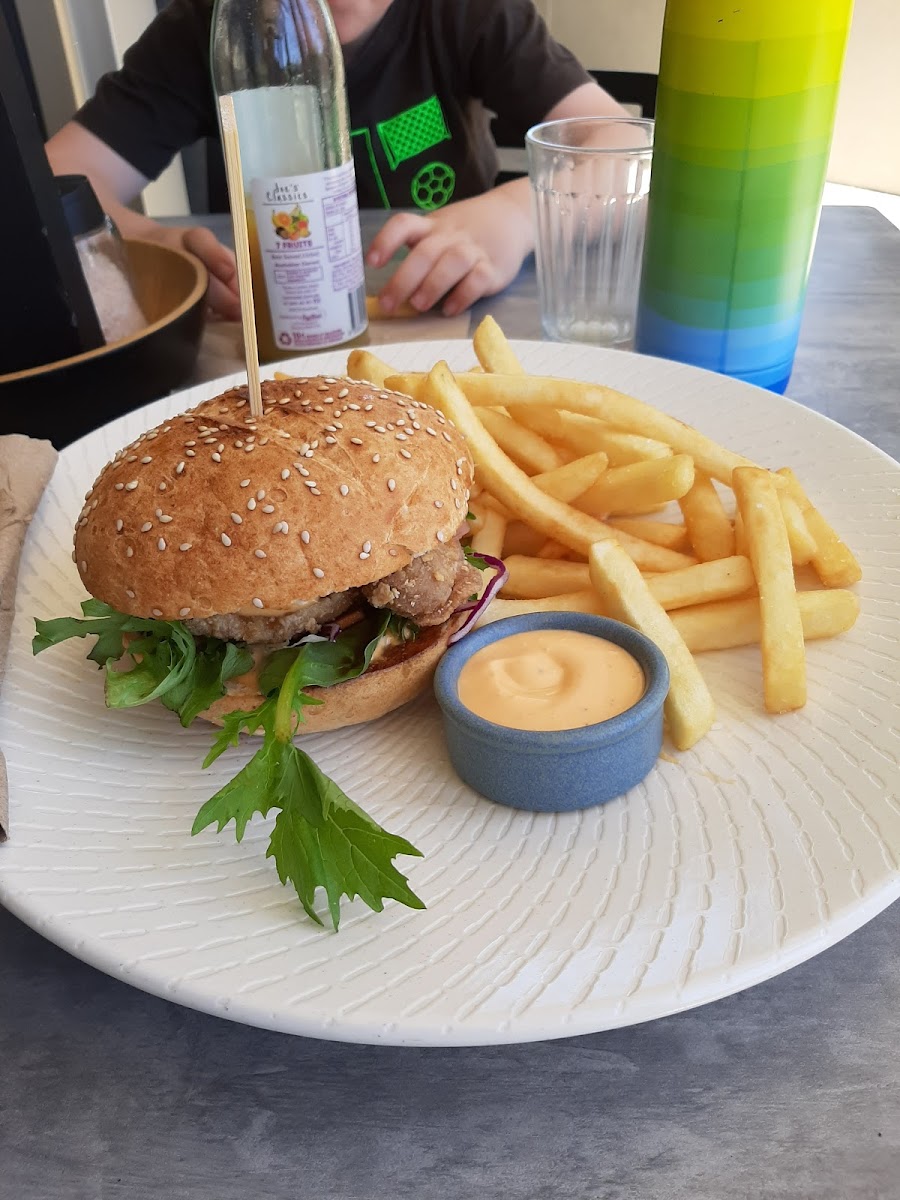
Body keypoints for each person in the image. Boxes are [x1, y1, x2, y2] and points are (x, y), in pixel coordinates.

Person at [45, 0, 627, 321]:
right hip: (277, 327)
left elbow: (619, 143)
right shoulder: (202, 28)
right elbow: (54, 182)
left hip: (455, 313)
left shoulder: (470, 13)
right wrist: (150, 244)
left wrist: (516, 214)